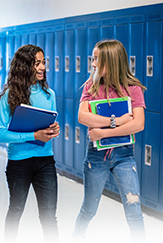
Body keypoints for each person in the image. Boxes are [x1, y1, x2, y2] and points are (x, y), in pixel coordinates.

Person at [73, 39, 147, 243]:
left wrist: (103, 132)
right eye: (93, 58)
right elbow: (83, 117)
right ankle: (77, 239)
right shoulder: (91, 85)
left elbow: (138, 124)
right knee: (89, 208)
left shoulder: (132, 89)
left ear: (112, 61)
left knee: (134, 212)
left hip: (124, 156)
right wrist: (116, 121)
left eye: (97, 59)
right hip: (95, 158)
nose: (93, 63)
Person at [0, 44, 60, 243]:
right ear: (24, 66)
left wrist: (53, 130)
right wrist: (33, 135)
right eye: (36, 63)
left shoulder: (49, 94)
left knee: (49, 218)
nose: (42, 68)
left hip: (45, 160)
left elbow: (51, 123)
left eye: (43, 63)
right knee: (16, 210)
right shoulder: (10, 96)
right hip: (19, 162)